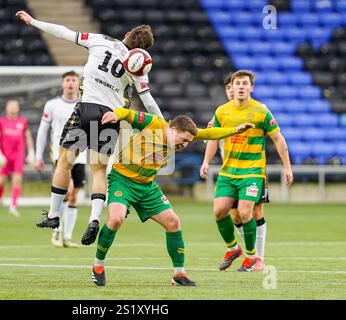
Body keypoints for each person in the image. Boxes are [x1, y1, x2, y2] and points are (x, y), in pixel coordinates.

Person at [16, 10, 164, 245]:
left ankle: (54, 215)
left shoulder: (100, 40)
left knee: (65, 161)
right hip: (110, 117)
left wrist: (33, 21)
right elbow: (148, 101)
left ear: (126, 34)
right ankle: (94, 219)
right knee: (98, 170)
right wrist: (164, 125)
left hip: (85, 109)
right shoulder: (138, 69)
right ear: (145, 51)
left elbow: (64, 33)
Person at [90, 107, 255, 286]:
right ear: (174, 130)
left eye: (188, 142)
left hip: (147, 186)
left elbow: (209, 133)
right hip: (122, 180)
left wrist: (234, 130)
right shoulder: (154, 124)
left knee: (173, 222)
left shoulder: (182, 135)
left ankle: (179, 274)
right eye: (184, 140)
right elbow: (129, 114)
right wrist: (116, 115)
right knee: (116, 218)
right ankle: (98, 265)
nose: (184, 145)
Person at [202, 70, 293, 272]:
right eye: (237, 83)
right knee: (222, 212)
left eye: (245, 83)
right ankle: (234, 249)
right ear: (231, 88)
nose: (240, 87)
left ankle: (254, 257)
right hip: (229, 172)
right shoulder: (222, 111)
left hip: (253, 171)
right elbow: (214, 137)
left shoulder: (261, 111)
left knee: (248, 211)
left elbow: (278, 139)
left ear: (251, 87)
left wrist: (287, 166)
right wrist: (206, 162)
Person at [35, 71, 86, 248]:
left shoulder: (84, 104)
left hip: (81, 155)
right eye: (68, 80)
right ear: (63, 83)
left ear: (78, 83)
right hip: (60, 155)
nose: (71, 83)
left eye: (74, 80)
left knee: (74, 196)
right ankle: (56, 232)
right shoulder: (52, 105)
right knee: (67, 190)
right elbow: (42, 131)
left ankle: (67, 237)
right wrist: (37, 156)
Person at [0, 100, 35, 217]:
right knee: (1, 181)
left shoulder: (23, 122)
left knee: (17, 180)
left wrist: (31, 152)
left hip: (18, 155)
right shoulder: (0, 122)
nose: (12, 108)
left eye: (15, 106)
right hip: (4, 156)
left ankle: (13, 205)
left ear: (18, 108)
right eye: (10, 106)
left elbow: (28, 137)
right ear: (6, 108)